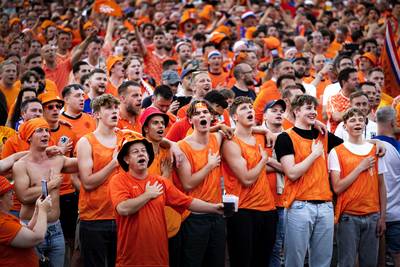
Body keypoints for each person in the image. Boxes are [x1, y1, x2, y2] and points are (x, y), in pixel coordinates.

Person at [109, 135, 223, 266]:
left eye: (144, 151)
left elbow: (188, 202)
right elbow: (123, 209)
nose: (141, 154)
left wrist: (215, 208)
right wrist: (147, 195)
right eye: (135, 152)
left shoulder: (160, 182)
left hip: (159, 258)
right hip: (130, 259)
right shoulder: (118, 180)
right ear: (126, 159)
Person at [275, 94, 344, 267]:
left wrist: (374, 142)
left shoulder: (322, 134)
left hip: (326, 205)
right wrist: (314, 155)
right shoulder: (285, 137)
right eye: (308, 108)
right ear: (297, 111)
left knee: (322, 261)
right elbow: (291, 173)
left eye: (314, 108)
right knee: (295, 261)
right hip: (299, 205)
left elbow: (350, 146)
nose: (313, 112)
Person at [13, 117, 78, 267]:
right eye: (39, 131)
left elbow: (85, 163)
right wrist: (50, 185)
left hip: (56, 227)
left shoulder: (57, 160)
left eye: (47, 130)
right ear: (29, 137)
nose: (45, 134)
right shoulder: (21, 165)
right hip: (31, 227)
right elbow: (24, 196)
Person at [222, 96, 278, 267]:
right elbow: (246, 179)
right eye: (244, 109)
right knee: (242, 261)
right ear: (235, 117)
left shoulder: (262, 136)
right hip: (242, 210)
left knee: (262, 262)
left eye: (251, 108)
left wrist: (265, 131)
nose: (250, 111)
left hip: (268, 208)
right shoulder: (230, 142)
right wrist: (264, 160)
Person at [328, 107, 387, 267]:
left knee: (370, 263)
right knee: (346, 263)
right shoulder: (336, 152)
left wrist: (382, 217)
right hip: (348, 216)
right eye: (352, 120)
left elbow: (382, 186)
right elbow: (337, 187)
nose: (357, 123)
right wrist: (360, 168)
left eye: (361, 119)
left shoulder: (376, 150)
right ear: (345, 126)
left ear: (365, 124)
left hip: (373, 215)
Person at [176, 100, 226, 267]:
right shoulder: (183, 146)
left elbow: (238, 131)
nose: (202, 116)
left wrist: (262, 129)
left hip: (217, 213)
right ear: (190, 120)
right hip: (194, 217)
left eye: (205, 112)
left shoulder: (216, 138)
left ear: (211, 117)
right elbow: (188, 183)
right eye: (197, 114)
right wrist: (210, 165)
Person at [76, 94, 122, 267]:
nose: (114, 111)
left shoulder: (125, 138)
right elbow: (87, 182)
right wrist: (113, 163)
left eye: (116, 108)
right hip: (94, 218)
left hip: (122, 215)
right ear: (96, 114)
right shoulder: (86, 142)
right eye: (108, 108)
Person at [0, 175, 52, 267]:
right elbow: (37, 237)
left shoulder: (5, 216)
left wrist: (37, 210)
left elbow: (27, 230)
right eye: (8, 191)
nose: (13, 193)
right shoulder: (2, 224)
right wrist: (43, 211)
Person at [373, 107, 400, 267]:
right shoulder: (396, 147)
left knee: (374, 258)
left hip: (374, 212)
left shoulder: (368, 146)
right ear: (393, 122)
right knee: (397, 256)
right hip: (395, 213)